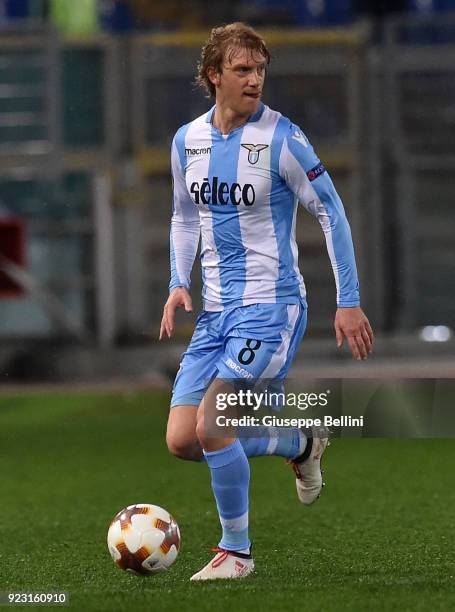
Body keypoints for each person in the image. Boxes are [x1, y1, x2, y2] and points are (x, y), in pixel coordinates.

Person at [160, 22, 374, 581]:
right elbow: (185, 216)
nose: (255, 80)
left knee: (213, 422)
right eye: (242, 70)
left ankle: (237, 553)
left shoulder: (283, 138)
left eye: (260, 70)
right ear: (214, 75)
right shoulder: (188, 141)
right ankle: (301, 442)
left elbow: (332, 212)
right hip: (215, 314)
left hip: (272, 308)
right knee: (184, 440)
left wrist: (347, 300)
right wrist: (177, 279)